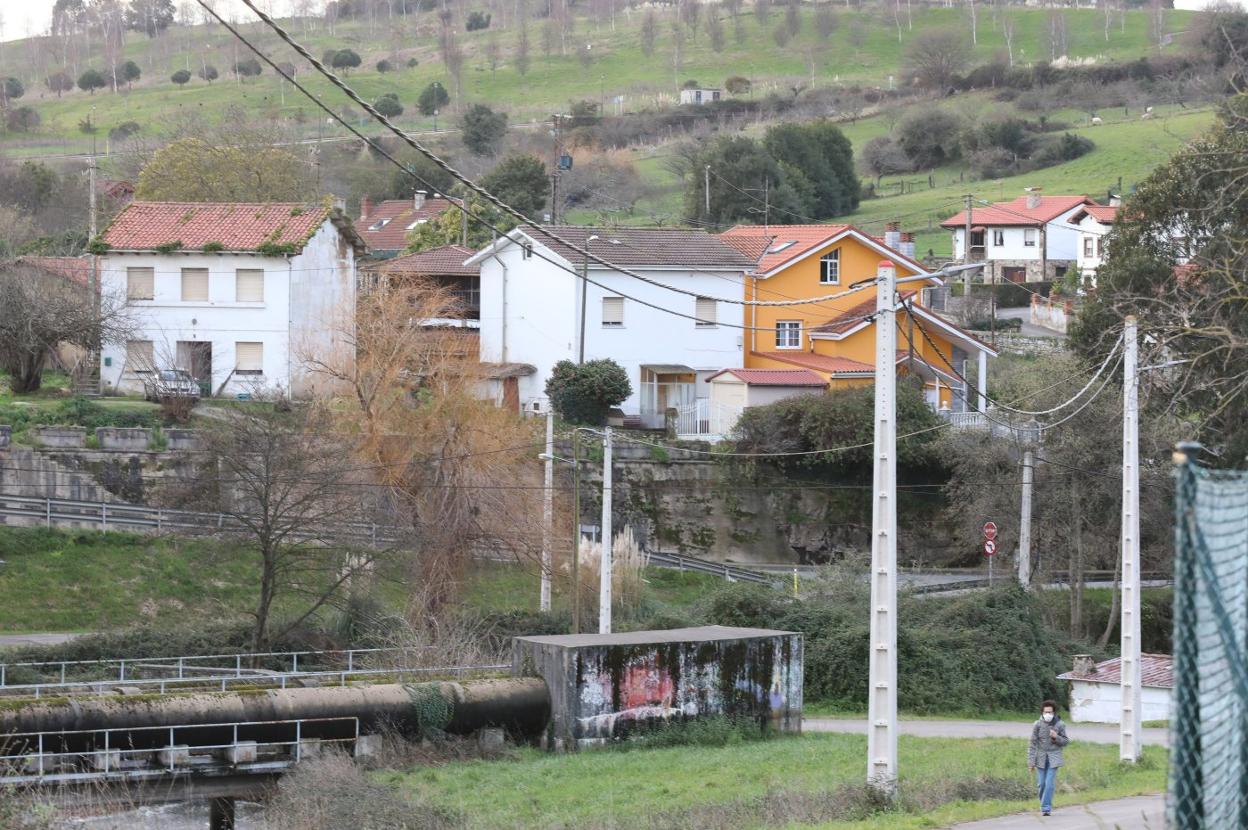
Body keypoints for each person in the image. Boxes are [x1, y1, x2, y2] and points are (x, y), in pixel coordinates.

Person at [1028, 699, 1070, 816]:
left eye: (1050, 712)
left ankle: (1046, 808)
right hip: (1040, 757)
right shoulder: (1037, 724)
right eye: (1046, 712)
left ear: (1054, 713)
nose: (1048, 714)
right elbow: (1032, 744)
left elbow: (1066, 742)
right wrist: (1031, 762)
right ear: (1042, 712)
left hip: (1054, 756)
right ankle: (1044, 804)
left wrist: (1056, 737)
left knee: (1049, 783)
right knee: (1041, 784)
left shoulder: (1060, 724)